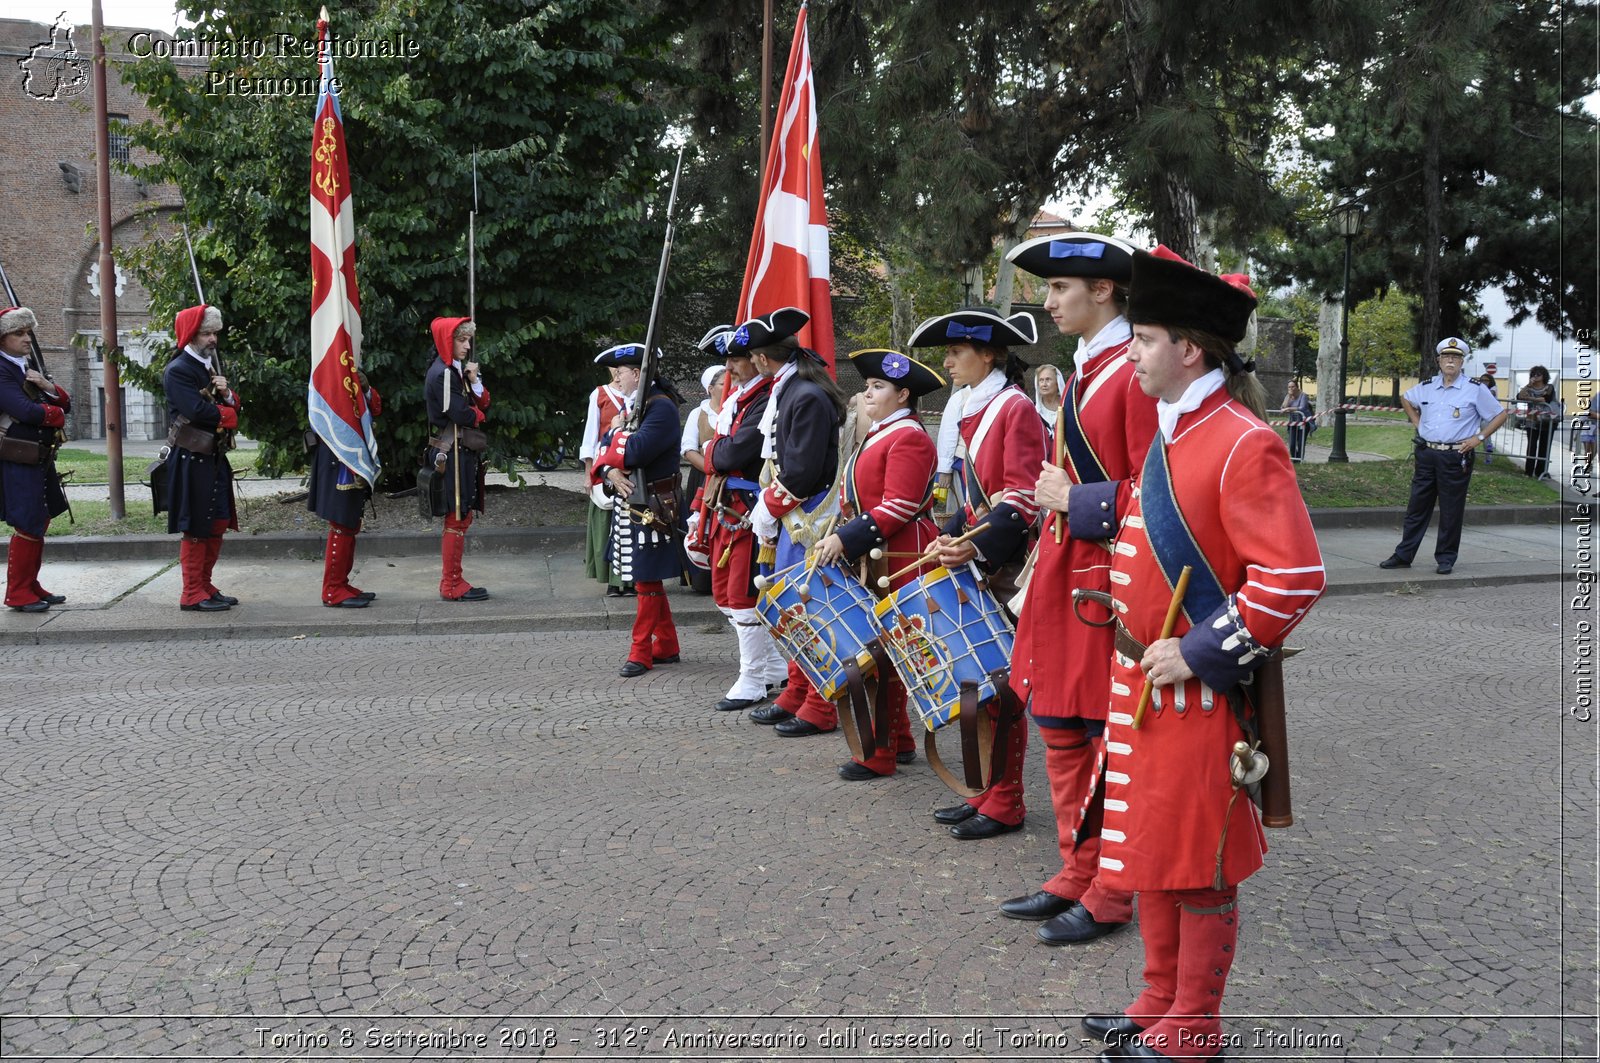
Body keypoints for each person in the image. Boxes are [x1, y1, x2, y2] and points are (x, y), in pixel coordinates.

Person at [1073, 248, 1326, 1062]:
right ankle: (1157, 1000)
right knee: (1150, 851)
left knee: (1199, 865)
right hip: (1142, 678)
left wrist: (1201, 650)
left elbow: (1294, 576)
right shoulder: (1176, 429)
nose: (1131, 352)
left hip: (1198, 691)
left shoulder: (1242, 441)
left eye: (1142, 338)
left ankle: (1193, 1028)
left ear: (1189, 348)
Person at [1000, 231, 1154, 943]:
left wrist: (1078, 501)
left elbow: (1161, 494)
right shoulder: (1089, 368)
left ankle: (1112, 889)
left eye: (1060, 287)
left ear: (1103, 290)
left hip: (1107, 584)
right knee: (1061, 724)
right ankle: (1076, 867)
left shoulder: (1132, 371)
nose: (1048, 300)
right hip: (1069, 576)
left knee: (1102, 736)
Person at [910, 305, 1047, 839]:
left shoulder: (1013, 408)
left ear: (988, 354)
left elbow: (1022, 497)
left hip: (1006, 566)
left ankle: (1006, 800)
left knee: (1002, 689)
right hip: (983, 557)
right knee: (981, 686)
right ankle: (989, 790)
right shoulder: (974, 406)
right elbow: (975, 493)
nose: (947, 363)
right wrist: (951, 530)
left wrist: (976, 548)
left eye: (955, 352)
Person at [812, 347, 944, 778]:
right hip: (878, 554)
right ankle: (899, 740)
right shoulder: (884, 432)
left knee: (881, 658)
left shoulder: (908, 436)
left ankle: (880, 754)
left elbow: (900, 506)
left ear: (903, 394)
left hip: (898, 557)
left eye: (878, 387)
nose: (867, 393)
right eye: (867, 386)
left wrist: (843, 539)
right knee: (882, 656)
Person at [741, 306, 847, 738]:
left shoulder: (804, 395)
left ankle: (822, 704)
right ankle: (799, 689)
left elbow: (802, 470)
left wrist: (770, 504)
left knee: (811, 611)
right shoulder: (794, 390)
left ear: (764, 360)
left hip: (808, 516)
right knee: (793, 612)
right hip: (795, 513)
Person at [700, 323, 789, 712]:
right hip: (728, 505)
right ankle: (771, 665)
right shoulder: (741, 399)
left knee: (743, 595)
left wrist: (713, 449)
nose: (731, 366)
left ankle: (752, 678)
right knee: (724, 592)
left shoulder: (765, 398)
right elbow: (720, 454)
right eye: (730, 358)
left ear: (758, 359)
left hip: (751, 508)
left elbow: (731, 455)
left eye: (737, 358)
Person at [1378, 337, 1507, 576]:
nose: (1451, 361)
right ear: (1438, 360)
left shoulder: (1475, 388)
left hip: (1455, 455)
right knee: (1417, 506)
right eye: (1447, 357)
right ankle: (1404, 554)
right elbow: (1406, 398)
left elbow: (1500, 415)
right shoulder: (1427, 386)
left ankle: (1446, 558)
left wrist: (1478, 438)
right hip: (1427, 453)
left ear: (1462, 361)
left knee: (1451, 509)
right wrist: (1419, 424)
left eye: (1456, 357)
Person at [593, 343, 684, 677]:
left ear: (638, 374)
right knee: (647, 579)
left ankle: (641, 651)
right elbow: (606, 451)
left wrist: (615, 438)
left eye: (621, 374)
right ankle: (667, 645)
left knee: (645, 580)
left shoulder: (660, 408)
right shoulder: (635, 406)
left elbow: (634, 450)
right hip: (633, 501)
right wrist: (609, 469)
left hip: (652, 504)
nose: (617, 380)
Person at [162, 304, 241, 612]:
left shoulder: (207, 367)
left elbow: (228, 407)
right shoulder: (179, 369)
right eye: (206, 333)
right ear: (190, 335)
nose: (212, 340)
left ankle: (205, 585)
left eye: (214, 333)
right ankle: (192, 592)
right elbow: (196, 411)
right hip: (191, 456)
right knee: (197, 524)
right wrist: (229, 412)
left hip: (213, 456)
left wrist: (228, 395)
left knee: (217, 521)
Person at [0, 306, 71, 613]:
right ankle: (17, 592)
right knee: (27, 521)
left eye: (28, 332)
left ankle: (30, 583)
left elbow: (63, 402)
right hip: (17, 456)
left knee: (40, 519)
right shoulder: (2, 370)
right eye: (19, 333)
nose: (27, 338)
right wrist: (53, 415)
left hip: (38, 456)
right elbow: (27, 411)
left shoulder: (23, 366)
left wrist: (45, 385)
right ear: (3, 338)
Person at [424, 316, 492, 601]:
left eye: (468, 340)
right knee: (456, 517)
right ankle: (450, 584)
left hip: (459, 452)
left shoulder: (455, 371)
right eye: (461, 340)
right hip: (451, 454)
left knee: (461, 516)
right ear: (446, 341)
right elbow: (462, 413)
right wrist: (476, 414)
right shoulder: (443, 373)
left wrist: (474, 381)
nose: (467, 346)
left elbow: (483, 400)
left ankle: (454, 580)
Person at [307, 371, 380, 608]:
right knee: (340, 523)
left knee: (350, 523)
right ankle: (332, 589)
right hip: (338, 457)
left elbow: (374, 408)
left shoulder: (349, 373)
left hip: (353, 455)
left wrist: (366, 390)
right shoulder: (326, 373)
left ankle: (341, 582)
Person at [580, 361, 630, 596]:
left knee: (631, 522)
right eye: (615, 368)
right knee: (607, 523)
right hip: (604, 467)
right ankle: (611, 579)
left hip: (631, 465)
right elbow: (590, 434)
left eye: (623, 368)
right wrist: (588, 472)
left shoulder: (640, 395)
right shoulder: (600, 394)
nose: (618, 373)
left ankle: (632, 580)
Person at [1516, 365, 1558, 479]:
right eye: (1534, 374)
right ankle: (1528, 471)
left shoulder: (1549, 387)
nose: (1536, 376)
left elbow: (1546, 399)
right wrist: (1528, 386)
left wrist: (1529, 398)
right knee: (1531, 445)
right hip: (1532, 419)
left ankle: (1541, 471)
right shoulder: (1529, 388)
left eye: (1538, 374)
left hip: (1547, 420)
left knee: (1544, 446)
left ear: (1544, 376)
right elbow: (1519, 396)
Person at [1276, 380, 1314, 462]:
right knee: (1292, 444)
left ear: (1297, 387)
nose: (1291, 389)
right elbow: (1283, 408)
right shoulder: (1288, 396)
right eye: (1289, 387)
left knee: (1300, 443)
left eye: (1293, 386)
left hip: (1303, 423)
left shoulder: (1303, 395)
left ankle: (1299, 460)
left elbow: (1302, 408)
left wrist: (1289, 409)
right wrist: (1288, 397)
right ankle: (1295, 459)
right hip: (1293, 423)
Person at [1034, 363, 1066, 446]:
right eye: (1041, 380)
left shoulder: (1068, 408)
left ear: (1057, 383)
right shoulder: (1033, 411)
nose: (1044, 384)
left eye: (1048, 379)